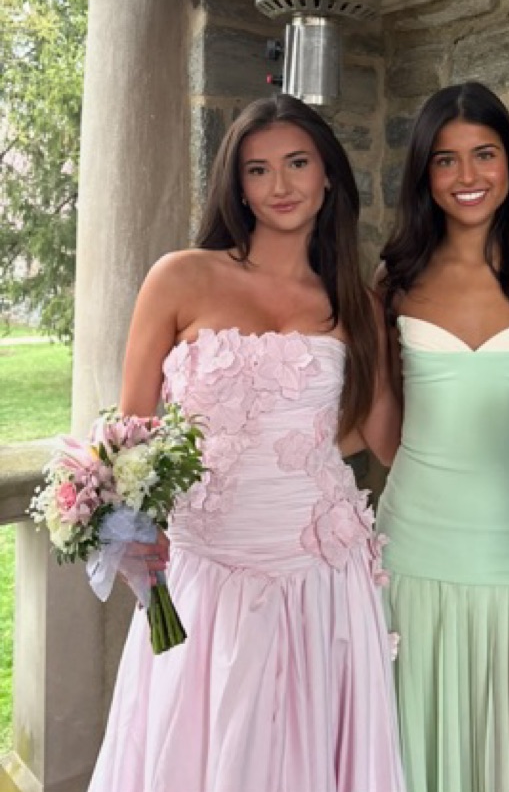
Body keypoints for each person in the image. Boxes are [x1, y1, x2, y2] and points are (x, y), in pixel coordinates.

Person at [88, 94, 405, 792]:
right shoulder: (181, 276)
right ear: (237, 185)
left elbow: (370, 435)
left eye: (298, 164)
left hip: (320, 572)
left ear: (329, 175)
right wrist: (126, 526)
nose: (280, 185)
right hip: (206, 570)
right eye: (258, 170)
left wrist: (413, 311)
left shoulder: (357, 303)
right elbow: (131, 430)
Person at [375, 81, 509, 792]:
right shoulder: (395, 279)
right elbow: (384, 421)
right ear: (424, 174)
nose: (467, 176)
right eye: (446, 159)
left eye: (484, 154)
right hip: (414, 542)